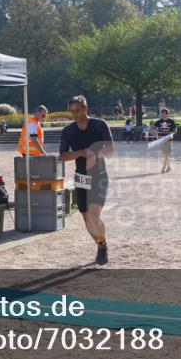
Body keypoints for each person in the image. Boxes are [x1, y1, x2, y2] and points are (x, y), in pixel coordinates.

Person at [58, 95, 114, 264]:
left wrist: (95, 154)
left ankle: (103, 248)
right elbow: (63, 155)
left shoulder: (99, 125)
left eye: (77, 110)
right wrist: (81, 153)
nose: (74, 114)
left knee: (94, 216)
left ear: (85, 109)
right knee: (86, 219)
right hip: (81, 178)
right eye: (72, 111)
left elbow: (110, 148)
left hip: (99, 176)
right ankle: (100, 244)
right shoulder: (68, 131)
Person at [153, 108, 178, 173]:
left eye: (165, 113)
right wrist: (154, 132)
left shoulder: (171, 121)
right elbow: (153, 128)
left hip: (168, 139)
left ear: (167, 114)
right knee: (164, 154)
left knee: (166, 154)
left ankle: (165, 167)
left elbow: (175, 130)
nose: (163, 114)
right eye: (162, 113)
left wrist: (171, 134)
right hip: (161, 139)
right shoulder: (158, 122)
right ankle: (168, 167)